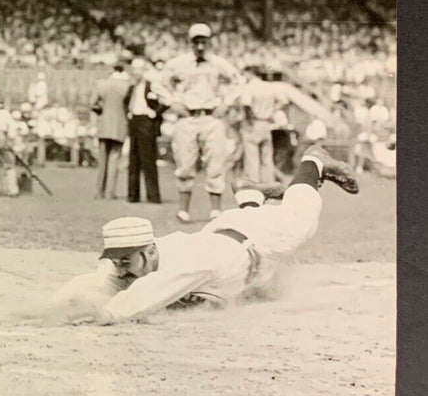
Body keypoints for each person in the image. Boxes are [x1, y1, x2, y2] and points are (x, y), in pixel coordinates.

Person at [47, 146, 359, 325]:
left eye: (125, 260)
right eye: (117, 261)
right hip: (230, 234)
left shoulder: (183, 264)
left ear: (149, 251)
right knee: (260, 288)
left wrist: (106, 314)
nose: (120, 268)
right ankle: (251, 196)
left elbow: (139, 299)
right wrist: (54, 304)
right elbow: (100, 278)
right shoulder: (144, 257)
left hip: (256, 241)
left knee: (300, 223)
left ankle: (313, 162)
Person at [159, 23, 243, 222]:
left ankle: (215, 210)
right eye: (196, 42)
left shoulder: (218, 63)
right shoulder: (178, 63)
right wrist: (172, 102)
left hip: (211, 116)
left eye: (204, 42)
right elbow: (158, 82)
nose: (200, 46)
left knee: (215, 163)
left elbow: (239, 81)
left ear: (209, 42)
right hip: (187, 116)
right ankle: (183, 210)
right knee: (185, 163)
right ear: (190, 42)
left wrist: (227, 103)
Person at [238, 65, 289, 183]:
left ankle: (254, 186)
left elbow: (246, 105)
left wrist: (249, 121)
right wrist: (272, 111)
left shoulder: (250, 86)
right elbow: (284, 100)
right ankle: (269, 186)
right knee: (267, 158)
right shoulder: (269, 86)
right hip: (266, 123)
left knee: (252, 159)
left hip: (254, 122)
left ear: (251, 73)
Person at [91, 54, 132, 200]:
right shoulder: (127, 85)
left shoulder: (101, 83)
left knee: (102, 160)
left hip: (104, 125)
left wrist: (102, 111)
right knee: (114, 159)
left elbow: (92, 104)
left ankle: (98, 191)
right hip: (120, 124)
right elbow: (129, 106)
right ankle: (110, 192)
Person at [124, 57, 163, 204]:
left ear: (144, 70)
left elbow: (164, 102)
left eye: (139, 69)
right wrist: (128, 113)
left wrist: (155, 112)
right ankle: (133, 195)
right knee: (133, 159)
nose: (136, 72)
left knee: (148, 159)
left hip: (146, 123)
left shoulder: (151, 86)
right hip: (134, 121)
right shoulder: (132, 88)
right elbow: (126, 102)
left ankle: (153, 196)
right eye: (134, 69)